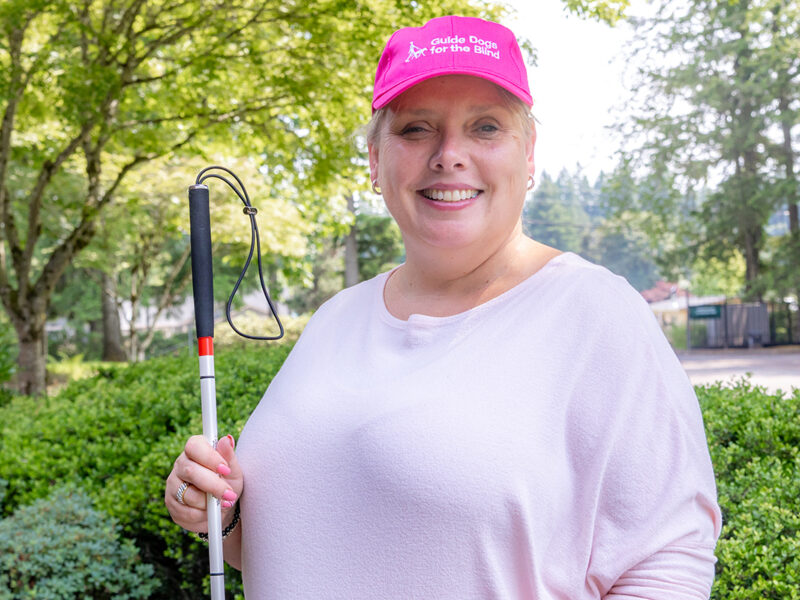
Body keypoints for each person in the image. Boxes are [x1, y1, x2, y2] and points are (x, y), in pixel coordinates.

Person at [166, 15, 722, 599]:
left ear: (528, 155)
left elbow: (667, 561)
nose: (448, 154)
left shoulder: (595, 315)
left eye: (485, 127)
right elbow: (299, 548)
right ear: (376, 161)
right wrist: (218, 514)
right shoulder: (337, 318)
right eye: (416, 129)